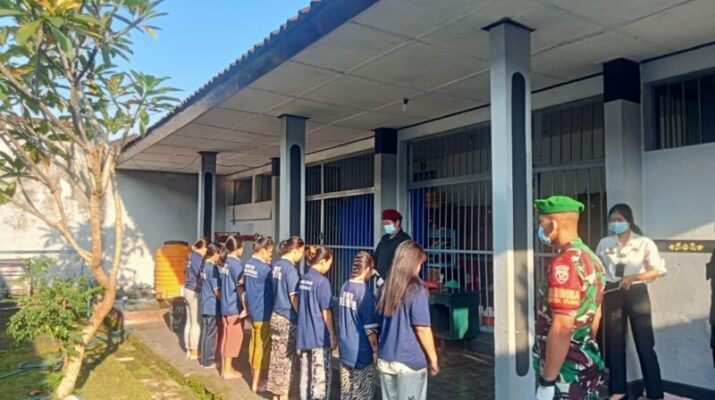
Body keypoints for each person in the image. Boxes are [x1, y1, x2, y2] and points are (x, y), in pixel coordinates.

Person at [533, 195, 606, 400]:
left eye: (542, 224)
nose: (540, 229)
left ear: (554, 225)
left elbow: (562, 328)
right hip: (585, 360)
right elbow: (596, 314)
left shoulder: (565, 263)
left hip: (565, 372)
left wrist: (548, 381)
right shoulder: (591, 257)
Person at [596, 204, 666, 400]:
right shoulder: (605, 243)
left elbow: (657, 270)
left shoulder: (644, 243)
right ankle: (618, 390)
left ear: (629, 220)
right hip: (612, 292)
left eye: (619, 220)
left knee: (645, 343)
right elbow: (598, 268)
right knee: (614, 343)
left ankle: (654, 392)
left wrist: (634, 277)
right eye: (612, 220)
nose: (615, 224)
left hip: (636, 292)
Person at [377, 240, 439, 400]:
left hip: (386, 358)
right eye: (420, 264)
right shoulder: (417, 289)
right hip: (409, 362)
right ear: (413, 262)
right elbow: (422, 329)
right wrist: (433, 359)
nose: (420, 268)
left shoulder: (386, 287)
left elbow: (380, 323)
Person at [296, 246, 337, 400]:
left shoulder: (304, 279)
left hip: (304, 335)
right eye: (329, 263)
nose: (329, 267)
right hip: (319, 336)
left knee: (305, 375)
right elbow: (326, 311)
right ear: (322, 261)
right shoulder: (322, 282)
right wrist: (332, 335)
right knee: (321, 379)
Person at [267, 236, 305, 400]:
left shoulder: (277, 265)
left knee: (276, 357)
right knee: (287, 360)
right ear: (295, 250)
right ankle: (283, 395)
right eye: (301, 252)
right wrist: (302, 318)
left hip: (275, 315)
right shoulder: (291, 270)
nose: (302, 256)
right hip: (287, 319)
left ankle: (276, 394)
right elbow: (294, 298)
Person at [338, 251, 379, 400]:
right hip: (361, 352)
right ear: (367, 269)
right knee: (362, 394)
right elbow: (370, 330)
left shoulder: (345, 286)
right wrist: (375, 350)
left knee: (346, 393)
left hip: (345, 349)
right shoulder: (365, 293)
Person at [244, 235, 274, 393]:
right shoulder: (265, 269)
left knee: (254, 344)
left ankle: (253, 378)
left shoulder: (248, 264)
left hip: (253, 311)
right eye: (269, 252)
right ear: (262, 251)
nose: (270, 255)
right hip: (264, 313)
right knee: (263, 348)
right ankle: (257, 382)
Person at [219, 235, 247, 379]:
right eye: (242, 247)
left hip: (225, 304)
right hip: (233, 306)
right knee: (234, 337)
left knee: (226, 335)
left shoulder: (226, 263)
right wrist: (246, 306)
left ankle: (225, 368)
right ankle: (228, 370)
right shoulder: (236, 265)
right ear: (237, 248)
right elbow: (240, 287)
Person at [183, 237, 210, 360]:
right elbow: (201, 274)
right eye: (207, 250)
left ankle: (188, 348)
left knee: (189, 321)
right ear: (204, 248)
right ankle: (194, 351)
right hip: (194, 291)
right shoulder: (198, 258)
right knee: (196, 322)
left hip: (187, 289)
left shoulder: (190, 256)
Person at [373, 209, 411, 287]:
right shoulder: (385, 238)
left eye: (388, 223)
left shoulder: (404, 240)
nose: (386, 226)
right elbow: (376, 256)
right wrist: (371, 268)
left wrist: (385, 278)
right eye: (384, 224)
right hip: (381, 283)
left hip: (396, 284)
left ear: (397, 222)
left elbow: (401, 264)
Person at [199, 242, 222, 369]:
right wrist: (224, 302)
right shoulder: (213, 268)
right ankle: (208, 361)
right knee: (211, 334)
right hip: (212, 305)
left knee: (206, 332)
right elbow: (217, 290)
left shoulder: (204, 266)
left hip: (205, 303)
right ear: (215, 253)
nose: (220, 256)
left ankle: (204, 359)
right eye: (219, 253)